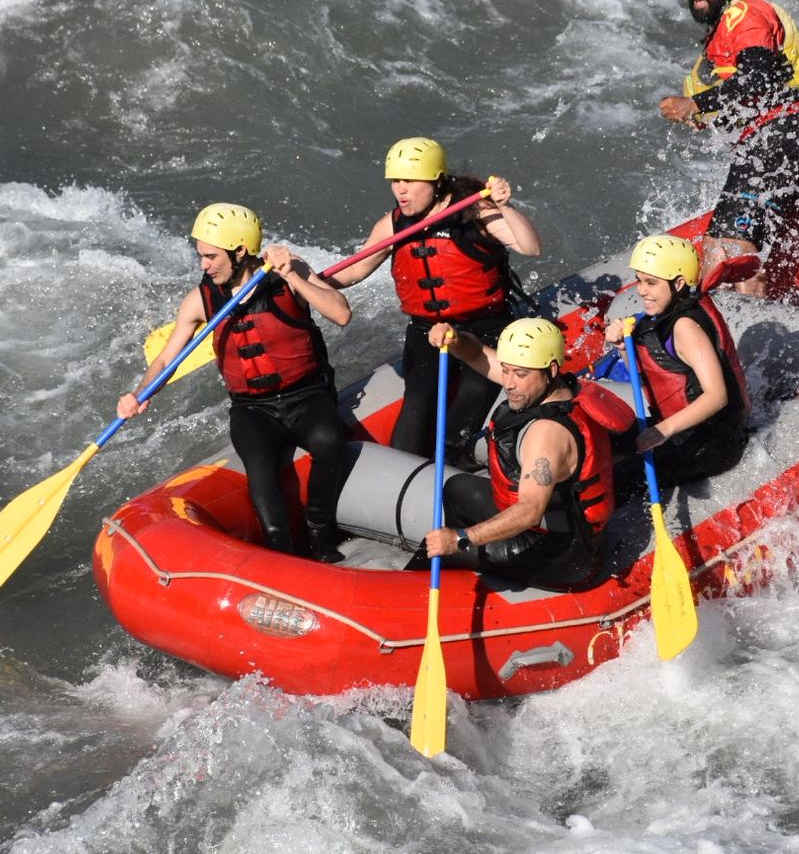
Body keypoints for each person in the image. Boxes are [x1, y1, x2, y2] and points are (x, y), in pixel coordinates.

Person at [118, 203, 352, 563]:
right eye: (201, 256)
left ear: (240, 251)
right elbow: (166, 359)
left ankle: (319, 534)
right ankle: (281, 552)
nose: (203, 265)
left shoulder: (290, 272)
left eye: (211, 256)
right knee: (259, 466)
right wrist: (139, 393)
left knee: (329, 441)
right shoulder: (200, 300)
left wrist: (293, 276)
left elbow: (341, 313)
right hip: (253, 408)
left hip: (306, 394)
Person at [325, 137, 541, 468]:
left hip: (486, 331)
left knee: (463, 418)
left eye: (410, 181)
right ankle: (404, 491)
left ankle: (457, 474)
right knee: (413, 418)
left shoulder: (473, 210)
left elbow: (530, 246)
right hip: (428, 333)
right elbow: (353, 271)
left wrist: (505, 206)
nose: (401, 190)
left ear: (436, 180)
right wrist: (300, 278)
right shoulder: (393, 223)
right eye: (396, 181)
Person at [657, 0, 799, 295]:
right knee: (717, 249)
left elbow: (759, 76)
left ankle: (742, 345)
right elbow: (747, 86)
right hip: (776, 141)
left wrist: (695, 103)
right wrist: (707, 112)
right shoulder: (725, 29)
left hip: (777, 138)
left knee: (732, 256)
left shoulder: (745, 12)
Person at [417, 318, 632, 592]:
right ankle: (469, 571)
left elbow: (530, 510)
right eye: (505, 371)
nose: (509, 383)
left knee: (436, 550)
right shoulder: (547, 384)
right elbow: (476, 354)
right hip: (552, 526)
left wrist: (460, 539)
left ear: (551, 369)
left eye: (519, 374)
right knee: (458, 489)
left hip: (561, 554)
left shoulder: (547, 435)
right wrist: (456, 339)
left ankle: (430, 594)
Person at [604, 234, 749, 485]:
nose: (641, 290)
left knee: (618, 480)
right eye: (639, 281)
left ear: (679, 283)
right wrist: (621, 347)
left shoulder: (685, 327)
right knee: (602, 443)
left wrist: (662, 431)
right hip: (679, 430)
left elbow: (717, 396)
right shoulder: (660, 316)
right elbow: (647, 375)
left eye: (651, 283)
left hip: (711, 442)